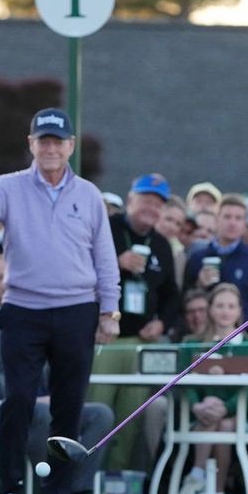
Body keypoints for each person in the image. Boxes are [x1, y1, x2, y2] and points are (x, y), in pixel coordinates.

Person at [0, 107, 120, 494]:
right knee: (19, 398)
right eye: (43, 141)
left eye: (58, 141)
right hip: (23, 306)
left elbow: (105, 258)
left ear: (71, 146)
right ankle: (9, 492)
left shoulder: (89, 195)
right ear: (31, 145)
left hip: (78, 308)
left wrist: (109, 310)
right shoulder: (9, 187)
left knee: (68, 406)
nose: (51, 148)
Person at [0, 255, 114, 494]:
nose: (6, 285)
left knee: (99, 414)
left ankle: (72, 493)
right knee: (38, 412)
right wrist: (35, 398)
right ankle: (43, 490)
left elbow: (45, 373)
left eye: (11, 279)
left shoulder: (36, 322)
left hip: (40, 404)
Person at [88, 173, 179, 472]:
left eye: (157, 203)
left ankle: (116, 484)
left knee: (130, 419)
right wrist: (116, 262)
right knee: (97, 410)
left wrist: (161, 324)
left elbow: (172, 297)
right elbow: (80, 273)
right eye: (145, 200)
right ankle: (86, 483)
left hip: (141, 343)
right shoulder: (107, 230)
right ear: (130, 199)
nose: (150, 208)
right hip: (104, 340)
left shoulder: (162, 245)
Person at [177, 283, 248, 494]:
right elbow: (182, 382)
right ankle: (203, 482)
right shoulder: (191, 343)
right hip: (200, 413)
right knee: (213, 418)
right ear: (211, 309)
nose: (225, 311)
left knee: (223, 422)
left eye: (231, 306)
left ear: (239, 311)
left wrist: (226, 407)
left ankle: (210, 487)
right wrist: (197, 405)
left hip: (238, 414)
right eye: (220, 305)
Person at [184, 194, 248, 340]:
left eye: (238, 218)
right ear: (216, 220)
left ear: (245, 223)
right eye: (227, 217)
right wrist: (199, 285)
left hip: (241, 340)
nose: (232, 223)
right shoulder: (197, 258)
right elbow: (185, 299)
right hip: (203, 341)